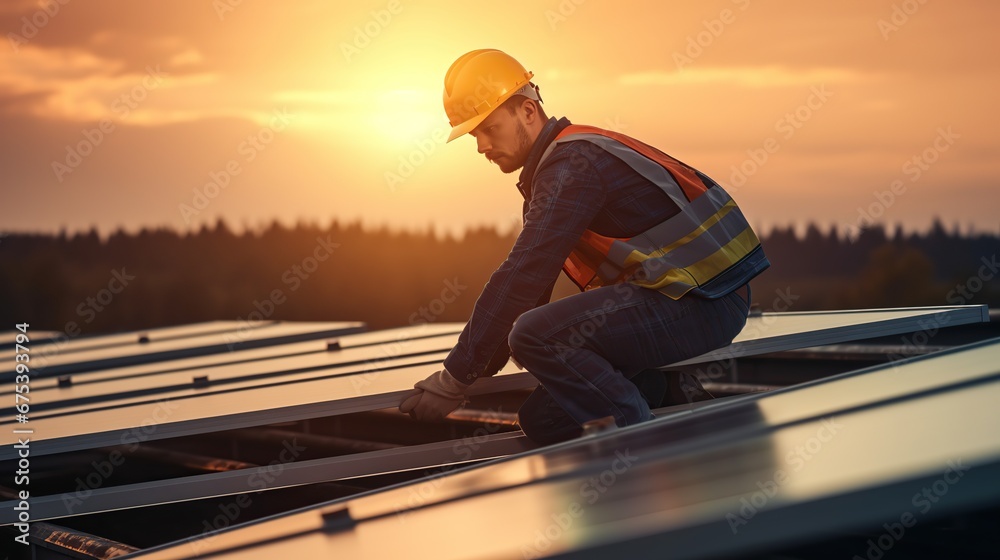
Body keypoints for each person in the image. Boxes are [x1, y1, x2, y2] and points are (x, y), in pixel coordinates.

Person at [399, 49, 769, 444]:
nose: (481, 146)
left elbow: (524, 273)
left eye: (490, 129)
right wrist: (477, 369)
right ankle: (665, 392)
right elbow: (529, 293)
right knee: (545, 419)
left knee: (533, 335)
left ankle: (639, 445)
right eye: (475, 135)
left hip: (705, 302)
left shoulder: (573, 167)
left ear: (528, 111)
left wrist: (453, 380)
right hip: (689, 298)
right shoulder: (559, 166)